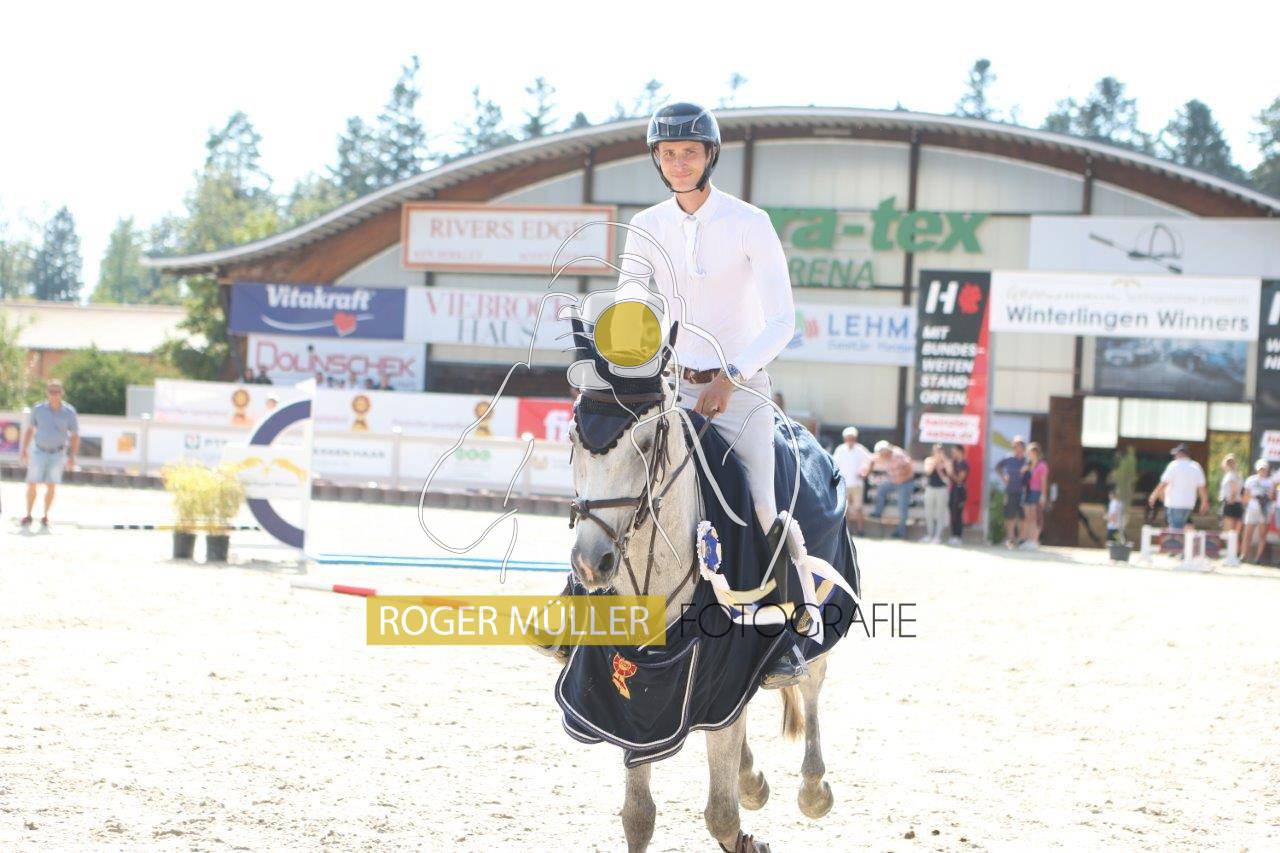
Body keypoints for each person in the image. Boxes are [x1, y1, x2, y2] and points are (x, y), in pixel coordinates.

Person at [619, 102, 802, 688]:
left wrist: (731, 376)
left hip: (740, 389)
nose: (678, 163)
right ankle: (583, 607)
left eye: (689, 153)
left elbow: (783, 322)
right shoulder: (645, 226)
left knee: (762, 502)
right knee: (616, 483)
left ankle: (783, 640)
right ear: (657, 159)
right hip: (670, 385)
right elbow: (630, 298)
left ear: (710, 156)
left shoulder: (750, 222)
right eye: (668, 154)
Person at [18, 379, 80, 530]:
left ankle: (45, 516)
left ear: (62, 393)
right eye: (51, 392)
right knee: (32, 483)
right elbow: (30, 429)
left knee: (52, 485)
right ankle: (28, 514)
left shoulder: (69, 412)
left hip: (57, 453)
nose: (54, 395)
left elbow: (75, 435)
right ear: (47, 393)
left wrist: (73, 456)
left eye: (57, 392)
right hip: (38, 450)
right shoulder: (38, 409)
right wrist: (24, 449)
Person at [1148, 443, 1207, 532]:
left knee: (1176, 530)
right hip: (1189, 504)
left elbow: (1163, 483)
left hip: (1174, 503)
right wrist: (1204, 502)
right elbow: (1202, 487)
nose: (1174, 456)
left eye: (1176, 454)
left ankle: (1175, 541)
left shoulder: (1174, 465)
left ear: (1180, 454)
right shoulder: (1196, 466)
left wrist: (1154, 495)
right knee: (1184, 526)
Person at [868, 440, 915, 539]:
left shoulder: (897, 454)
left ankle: (901, 532)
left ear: (886, 450)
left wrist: (902, 477)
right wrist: (869, 466)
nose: (880, 455)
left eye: (881, 452)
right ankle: (878, 512)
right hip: (894, 481)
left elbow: (909, 466)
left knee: (902, 507)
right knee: (881, 489)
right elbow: (871, 459)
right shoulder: (883, 456)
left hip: (905, 482)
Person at [831, 427, 872, 534]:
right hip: (843, 484)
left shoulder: (860, 449)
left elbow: (870, 460)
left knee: (858, 508)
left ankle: (861, 530)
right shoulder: (840, 449)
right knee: (845, 509)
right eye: (848, 438)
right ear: (845, 438)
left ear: (855, 438)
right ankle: (846, 532)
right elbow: (834, 464)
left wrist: (866, 472)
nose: (850, 440)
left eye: (852, 438)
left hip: (857, 484)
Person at [995, 437, 1029, 548]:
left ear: (1023, 448)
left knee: (1023, 516)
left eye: (1019, 446)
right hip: (1010, 490)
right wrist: (1003, 476)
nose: (1017, 449)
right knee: (1010, 515)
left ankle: (1022, 539)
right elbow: (998, 467)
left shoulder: (1027, 461)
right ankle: (1011, 539)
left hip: (1023, 491)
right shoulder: (1009, 458)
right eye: (1015, 446)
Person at [1241, 460, 1274, 563]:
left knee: (1262, 535)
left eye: (1264, 469)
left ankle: (1258, 558)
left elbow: (1272, 496)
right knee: (1247, 533)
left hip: (1264, 510)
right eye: (1261, 469)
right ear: (1257, 469)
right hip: (1252, 509)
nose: (1262, 471)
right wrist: (1255, 497)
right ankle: (1243, 556)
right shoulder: (1251, 480)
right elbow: (1245, 496)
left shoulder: (1270, 482)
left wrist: (1265, 499)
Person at [1021, 442, 1050, 550]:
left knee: (1035, 517)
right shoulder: (1028, 465)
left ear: (1036, 453)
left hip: (1036, 492)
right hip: (1027, 492)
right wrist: (1024, 470)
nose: (1029, 454)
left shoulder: (1042, 465)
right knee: (1027, 517)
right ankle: (1029, 540)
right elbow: (1023, 478)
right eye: (1029, 452)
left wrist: (1043, 495)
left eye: (1031, 452)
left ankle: (1035, 540)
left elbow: (1044, 482)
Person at [922, 443, 949, 543]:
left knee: (940, 513)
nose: (938, 452)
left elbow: (950, 472)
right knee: (928, 513)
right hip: (930, 488)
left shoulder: (946, 461)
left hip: (942, 489)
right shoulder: (929, 460)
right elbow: (928, 472)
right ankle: (929, 534)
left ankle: (938, 536)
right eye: (936, 450)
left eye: (940, 451)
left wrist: (944, 461)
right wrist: (935, 462)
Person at [946, 444, 969, 545]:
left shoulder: (964, 464)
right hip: (953, 490)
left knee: (958, 513)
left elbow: (960, 479)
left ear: (960, 452)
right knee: (952, 513)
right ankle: (953, 535)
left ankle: (958, 536)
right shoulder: (953, 462)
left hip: (960, 491)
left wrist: (950, 472)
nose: (953, 454)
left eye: (954, 452)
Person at [1219, 454, 1244, 542]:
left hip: (1231, 503)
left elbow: (1234, 489)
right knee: (1234, 533)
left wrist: (1231, 499)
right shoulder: (1238, 475)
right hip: (1237, 503)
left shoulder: (1230, 475)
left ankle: (1228, 549)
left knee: (1228, 531)